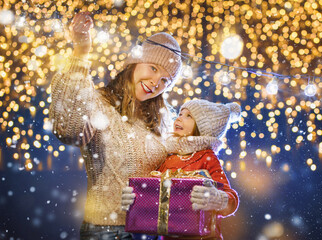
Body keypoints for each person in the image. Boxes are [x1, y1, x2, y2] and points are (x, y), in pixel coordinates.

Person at [49, 12, 182, 239]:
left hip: (151, 231)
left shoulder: (163, 119)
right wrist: (81, 53)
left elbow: (180, 166)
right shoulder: (98, 103)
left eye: (165, 81)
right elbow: (68, 129)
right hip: (107, 231)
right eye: (153, 68)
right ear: (135, 62)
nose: (155, 83)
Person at [122, 99, 241, 240]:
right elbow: (154, 192)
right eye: (180, 113)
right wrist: (136, 198)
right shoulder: (169, 158)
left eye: (188, 116)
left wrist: (217, 199)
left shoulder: (207, 158)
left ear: (203, 128)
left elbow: (230, 199)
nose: (179, 118)